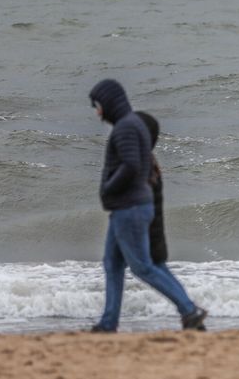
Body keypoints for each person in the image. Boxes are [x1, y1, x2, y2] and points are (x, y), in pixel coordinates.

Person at [89, 79, 207, 332]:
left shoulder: (126, 128)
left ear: (109, 103)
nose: (97, 112)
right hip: (127, 207)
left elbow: (131, 165)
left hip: (128, 208)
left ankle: (189, 310)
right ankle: (108, 323)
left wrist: (109, 187)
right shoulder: (132, 124)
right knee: (112, 263)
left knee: (142, 267)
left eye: (98, 105)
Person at [136, 111, 206, 331]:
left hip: (147, 229)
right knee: (117, 266)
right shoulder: (148, 162)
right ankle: (189, 311)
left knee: (146, 268)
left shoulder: (143, 164)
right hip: (153, 229)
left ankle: (189, 310)